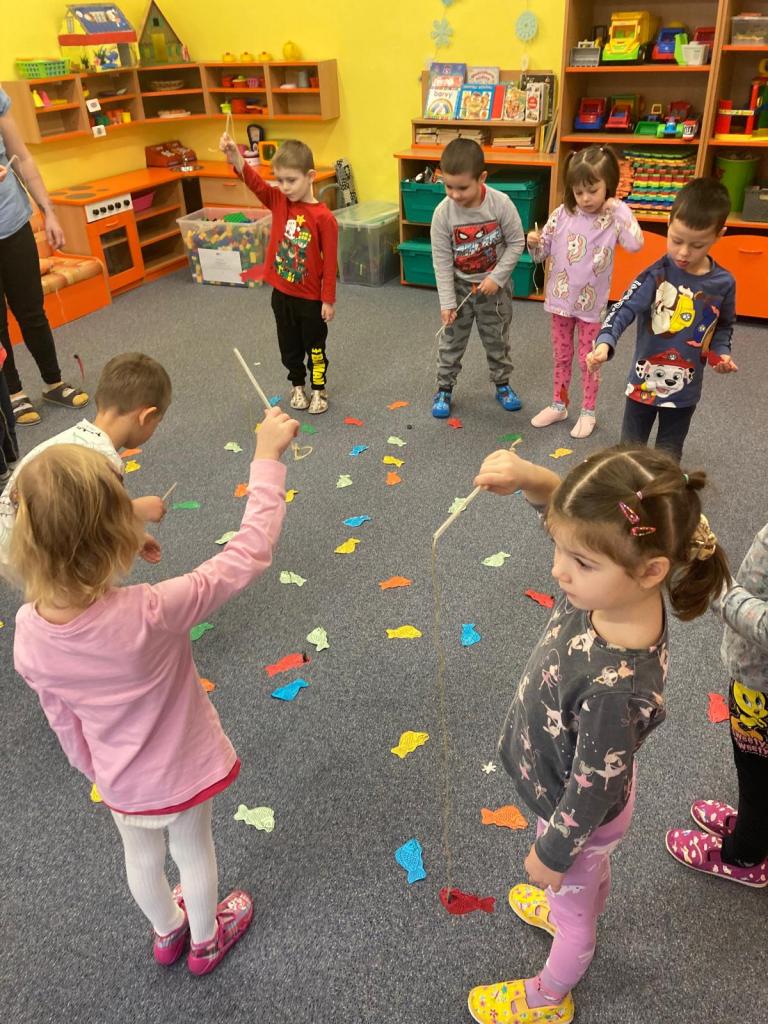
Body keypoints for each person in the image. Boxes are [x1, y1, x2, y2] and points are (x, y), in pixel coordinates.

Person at [5, 405, 299, 975]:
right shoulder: (153, 609)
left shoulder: (29, 635)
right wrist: (266, 458)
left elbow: (62, 721)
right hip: (181, 771)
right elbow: (246, 554)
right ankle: (206, 941)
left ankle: (167, 931)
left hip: (118, 779)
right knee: (193, 850)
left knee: (139, 857)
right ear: (117, 534)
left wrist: (97, 770)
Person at [465, 443, 730, 1024]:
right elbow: (584, 522)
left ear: (651, 570)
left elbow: (594, 786)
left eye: (580, 562)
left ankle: (548, 996)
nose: (558, 570)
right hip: (575, 789)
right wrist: (534, 479)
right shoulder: (616, 590)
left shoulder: (616, 688)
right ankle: (573, 898)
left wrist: (554, 851)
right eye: (560, 548)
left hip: (579, 813)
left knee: (575, 916)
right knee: (580, 887)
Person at [587, 177, 738, 461]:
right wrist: (605, 343)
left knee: (668, 457)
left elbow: (723, 326)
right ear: (668, 225)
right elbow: (623, 309)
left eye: (697, 245)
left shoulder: (723, 283)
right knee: (629, 455)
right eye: (676, 240)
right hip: (642, 384)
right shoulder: (655, 275)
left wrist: (721, 353)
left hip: (684, 391)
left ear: (719, 235)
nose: (683, 252)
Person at [666, 520, 768, 886]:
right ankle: (754, 825)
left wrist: (716, 587)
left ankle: (745, 853)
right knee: (755, 769)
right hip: (755, 675)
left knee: (756, 771)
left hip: (761, 688)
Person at [0, 351, 171, 564]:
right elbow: (88, 528)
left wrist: (133, 536)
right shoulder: (104, 462)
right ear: (146, 416)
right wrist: (136, 511)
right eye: (157, 422)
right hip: (29, 555)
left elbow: (79, 511)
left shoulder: (71, 437)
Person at [526, 145, 643, 439]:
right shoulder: (561, 214)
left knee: (589, 360)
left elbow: (635, 244)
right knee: (561, 356)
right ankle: (559, 404)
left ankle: (588, 411)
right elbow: (540, 254)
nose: (586, 198)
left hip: (591, 306)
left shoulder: (612, 217)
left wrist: (618, 206)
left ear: (608, 186)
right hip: (560, 302)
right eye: (579, 192)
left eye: (593, 190)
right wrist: (533, 242)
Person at [220, 135, 337, 414]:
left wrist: (327, 299)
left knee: (315, 349)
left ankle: (318, 389)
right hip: (281, 295)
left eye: (291, 180)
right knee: (289, 347)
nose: (284, 187)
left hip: (310, 299)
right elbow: (256, 183)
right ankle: (297, 385)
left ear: (310, 176)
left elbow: (330, 263)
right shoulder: (279, 201)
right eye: (280, 180)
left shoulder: (324, 217)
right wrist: (235, 157)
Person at [0, 86, 88, 426]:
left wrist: (48, 211)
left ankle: (54, 383)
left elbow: (21, 156)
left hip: (13, 222)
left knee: (32, 310)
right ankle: (13, 394)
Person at [429, 137, 525, 419]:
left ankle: (502, 384)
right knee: (451, 342)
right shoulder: (442, 214)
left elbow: (517, 243)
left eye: (462, 187)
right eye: (448, 186)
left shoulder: (501, 204)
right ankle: (444, 388)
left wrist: (497, 278)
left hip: (494, 290)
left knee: (497, 340)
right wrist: (447, 302)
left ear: (482, 178)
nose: (455, 194)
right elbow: (441, 261)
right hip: (460, 287)